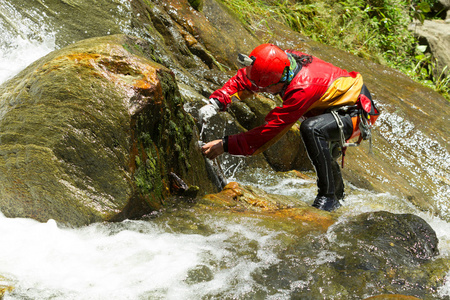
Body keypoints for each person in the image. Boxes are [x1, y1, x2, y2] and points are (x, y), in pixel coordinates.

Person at [199, 44, 379, 212]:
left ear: (279, 81)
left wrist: (225, 144)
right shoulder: (279, 61)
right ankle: (338, 196)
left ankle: (328, 197)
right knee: (320, 138)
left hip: (356, 111)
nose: (264, 91)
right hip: (330, 105)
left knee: (312, 129)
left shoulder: (302, 89)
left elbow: (268, 133)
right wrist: (218, 100)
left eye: (267, 88)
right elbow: (247, 77)